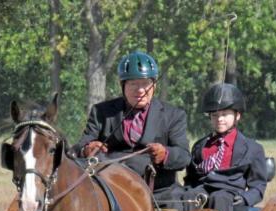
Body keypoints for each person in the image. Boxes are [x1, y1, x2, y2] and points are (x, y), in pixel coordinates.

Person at [73, 51, 191, 202]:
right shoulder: (101, 112)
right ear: (122, 85)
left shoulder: (173, 115)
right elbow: (79, 147)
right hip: (111, 192)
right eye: (133, 84)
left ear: (154, 85)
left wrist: (165, 154)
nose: (140, 90)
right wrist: (86, 149)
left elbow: (184, 156)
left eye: (145, 83)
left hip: (158, 193)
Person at [182, 83, 270, 211]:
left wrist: (244, 198)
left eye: (224, 114)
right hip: (202, 189)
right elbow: (190, 179)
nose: (219, 119)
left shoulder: (253, 149)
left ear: (237, 115)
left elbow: (258, 186)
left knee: (219, 197)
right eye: (215, 115)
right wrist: (187, 191)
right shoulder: (199, 146)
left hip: (229, 193)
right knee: (189, 196)